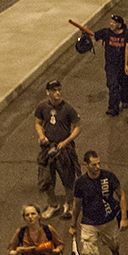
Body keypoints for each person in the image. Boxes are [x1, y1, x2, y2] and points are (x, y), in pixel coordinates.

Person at [70, 151, 127, 255]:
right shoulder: (80, 183)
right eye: (94, 164)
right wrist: (73, 225)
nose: (97, 167)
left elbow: (121, 195)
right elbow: (76, 205)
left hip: (108, 219)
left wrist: (124, 217)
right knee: (89, 252)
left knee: (113, 243)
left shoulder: (108, 177)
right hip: (88, 222)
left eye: (99, 163)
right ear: (86, 165)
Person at [34, 81, 80, 220]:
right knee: (46, 179)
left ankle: (69, 203)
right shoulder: (42, 107)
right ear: (47, 92)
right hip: (48, 148)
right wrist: (41, 136)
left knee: (68, 178)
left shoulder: (68, 108)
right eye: (54, 90)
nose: (58, 93)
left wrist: (66, 141)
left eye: (59, 90)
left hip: (64, 149)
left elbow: (77, 126)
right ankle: (54, 204)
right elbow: (38, 123)